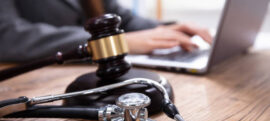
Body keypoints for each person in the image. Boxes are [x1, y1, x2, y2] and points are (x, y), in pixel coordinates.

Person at [0, 0, 212, 62]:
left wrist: (166, 29)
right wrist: (114, 42)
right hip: (36, 79)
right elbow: (8, 36)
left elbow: (123, 18)